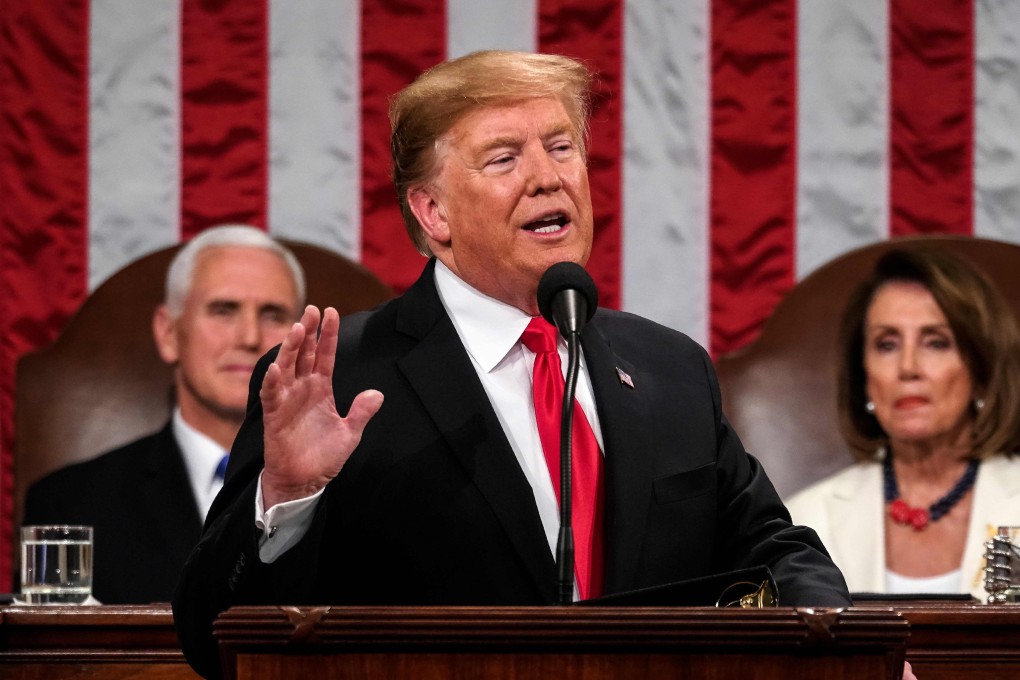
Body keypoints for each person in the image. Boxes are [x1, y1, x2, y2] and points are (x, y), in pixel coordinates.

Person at [172, 51, 852, 680]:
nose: (548, 177)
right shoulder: (342, 381)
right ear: (433, 212)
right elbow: (210, 638)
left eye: (561, 148)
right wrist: (286, 498)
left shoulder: (669, 368)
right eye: (504, 159)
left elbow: (774, 551)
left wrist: (847, 649)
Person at [22, 225, 305, 604]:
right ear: (169, 332)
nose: (250, 337)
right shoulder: (71, 503)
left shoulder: (356, 497)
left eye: (273, 314)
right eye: (223, 310)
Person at [786, 247, 1020, 599]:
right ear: (864, 377)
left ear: (982, 372)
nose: (908, 367)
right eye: (887, 345)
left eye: (936, 342)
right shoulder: (805, 521)